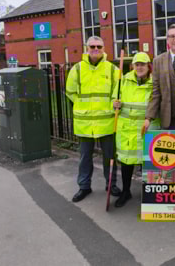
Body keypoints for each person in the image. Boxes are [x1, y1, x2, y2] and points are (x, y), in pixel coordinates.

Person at [66, 36, 121, 202]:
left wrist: (114, 102)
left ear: (104, 48)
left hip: (107, 122)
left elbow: (116, 92)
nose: (95, 49)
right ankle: (84, 186)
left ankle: (111, 184)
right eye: (92, 47)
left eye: (99, 46)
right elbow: (70, 91)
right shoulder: (77, 69)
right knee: (84, 157)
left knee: (109, 157)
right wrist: (82, 105)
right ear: (86, 48)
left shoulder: (112, 70)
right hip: (85, 122)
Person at [113, 52, 159, 207]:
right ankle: (126, 191)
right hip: (127, 129)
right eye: (137, 64)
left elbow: (159, 104)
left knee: (148, 163)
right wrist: (115, 104)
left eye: (143, 64)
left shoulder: (155, 83)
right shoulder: (124, 80)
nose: (139, 67)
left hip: (147, 129)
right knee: (127, 162)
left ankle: (150, 194)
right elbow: (114, 98)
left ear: (148, 66)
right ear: (132, 65)